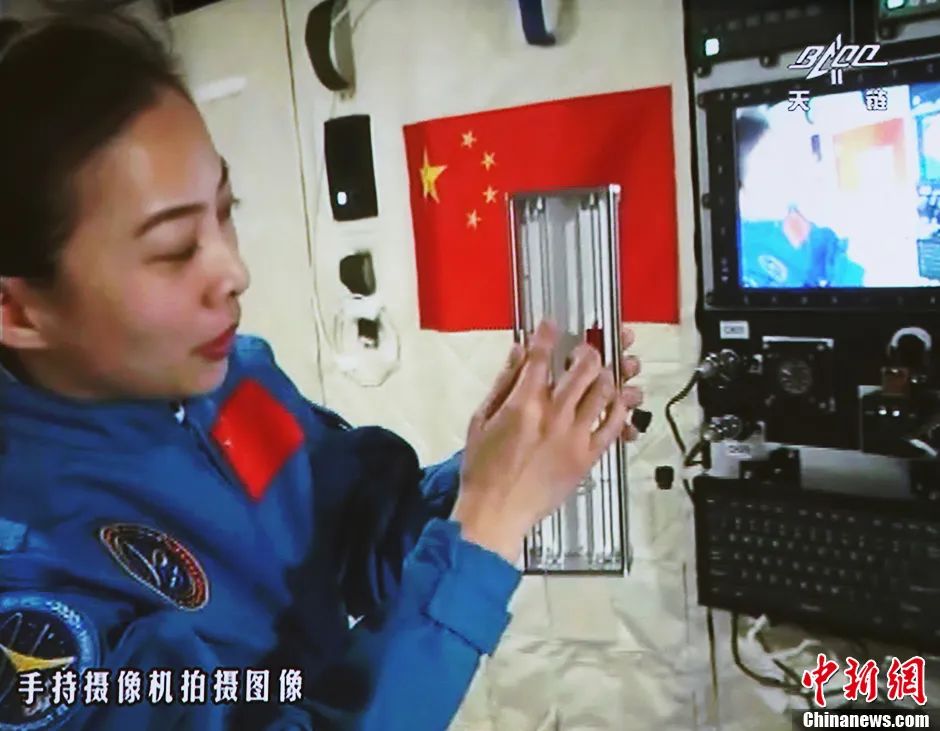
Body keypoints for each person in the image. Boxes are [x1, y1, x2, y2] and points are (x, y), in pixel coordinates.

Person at [0, 13, 644, 731]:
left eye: (226, 211)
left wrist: (503, 463)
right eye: (176, 247)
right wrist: (487, 529)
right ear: (16, 310)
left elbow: (357, 540)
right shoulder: (34, 580)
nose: (234, 271)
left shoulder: (233, 388)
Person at [736, 111, 865, 288]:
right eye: (766, 155)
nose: (781, 164)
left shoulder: (789, 214)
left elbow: (826, 248)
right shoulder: (743, 255)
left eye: (779, 153)